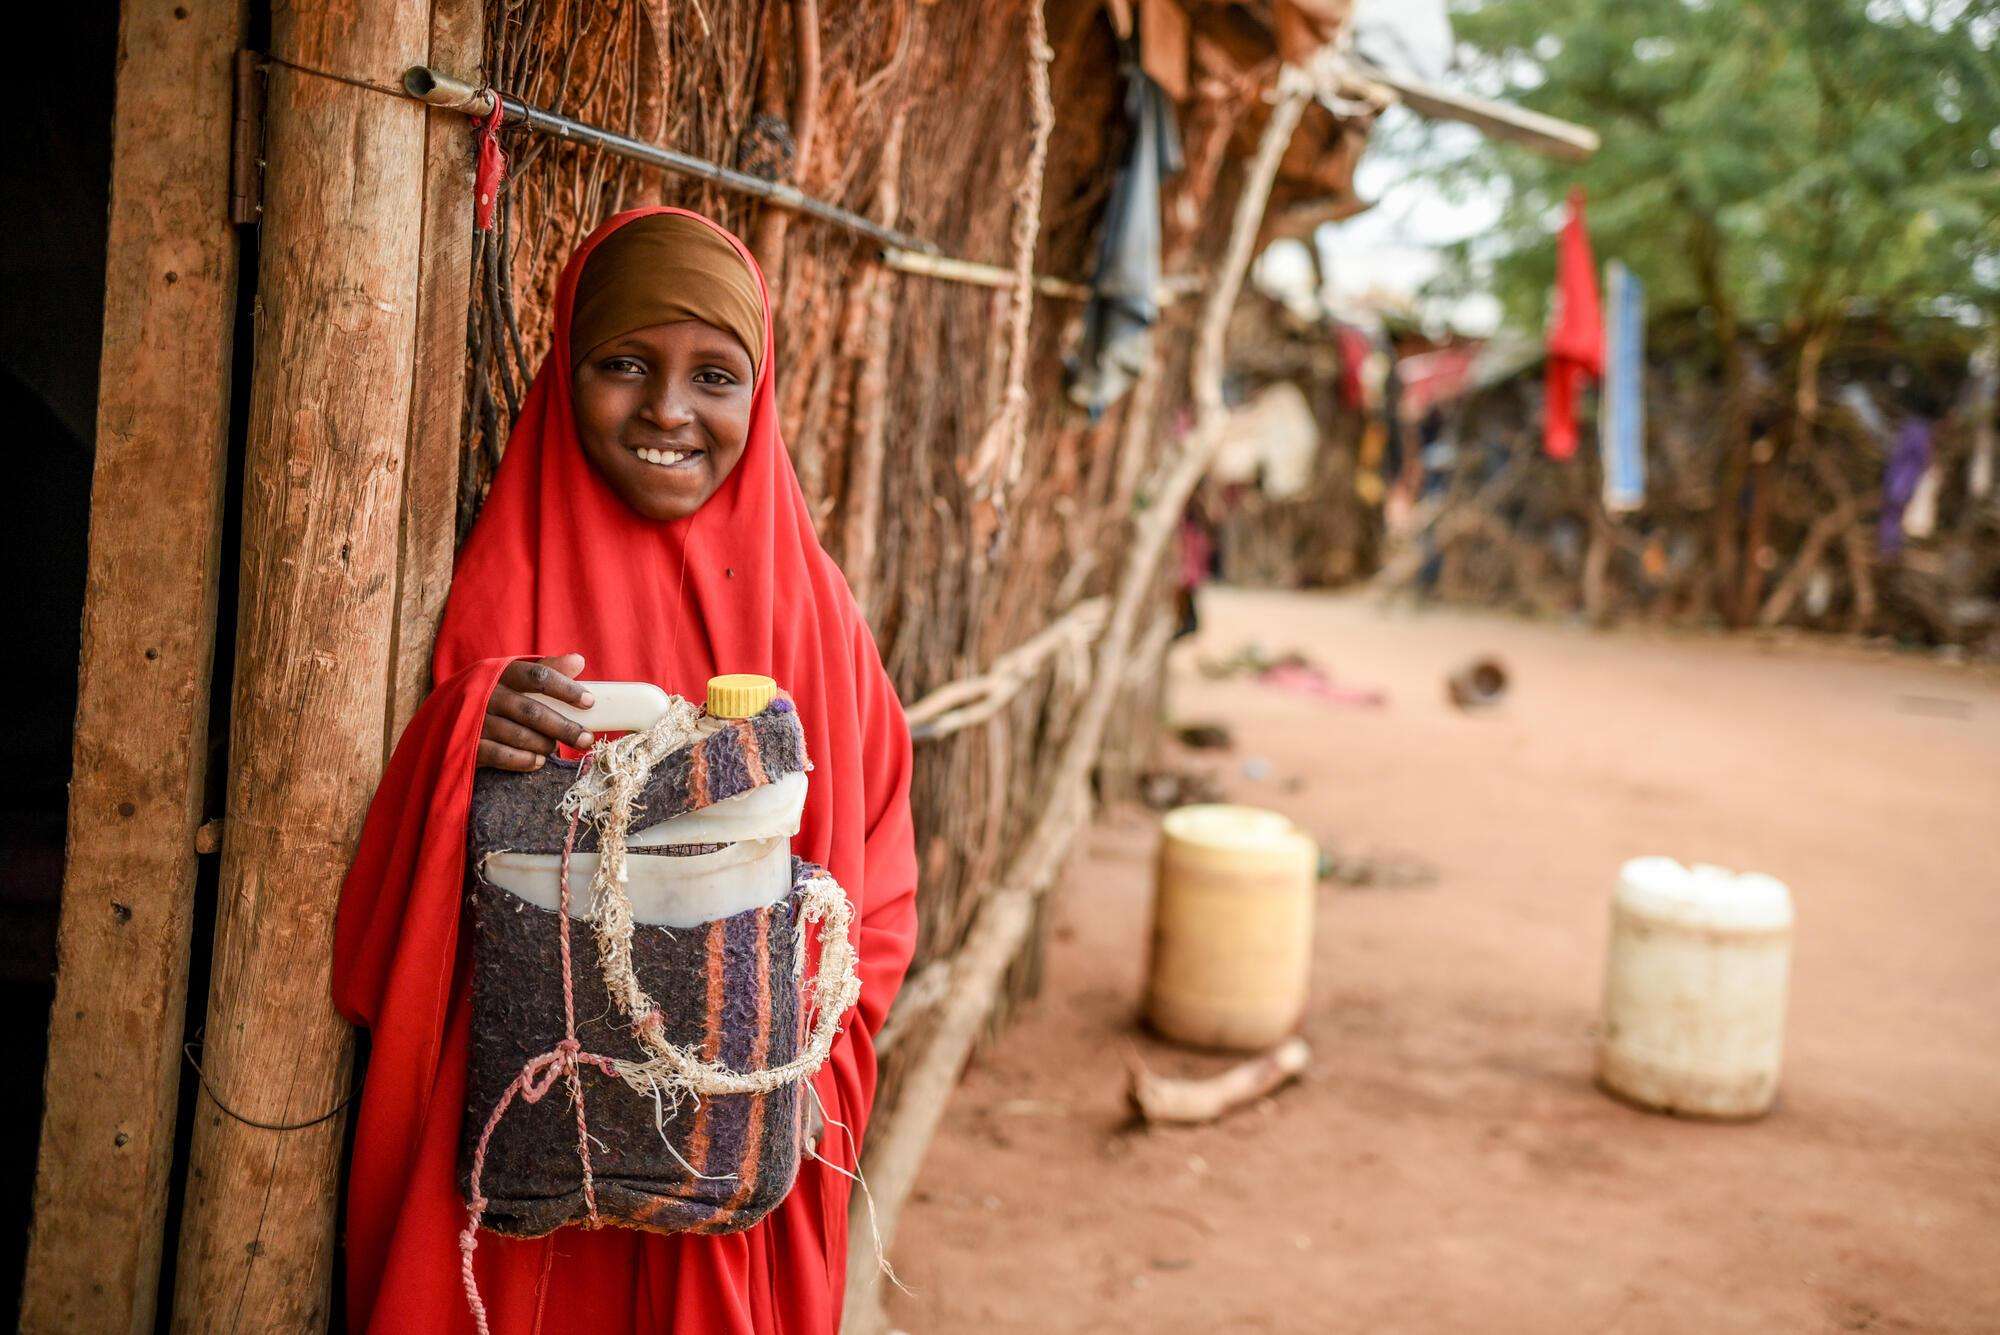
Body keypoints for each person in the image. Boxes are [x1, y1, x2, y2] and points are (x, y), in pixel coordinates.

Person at [331, 208, 919, 1333]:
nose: (667, 409)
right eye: (623, 365)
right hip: (512, 1130)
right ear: (565, 370)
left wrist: (804, 1057)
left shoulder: (818, 622)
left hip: (734, 1145)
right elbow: (365, 932)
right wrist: (461, 740)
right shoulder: (495, 593)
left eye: (714, 375)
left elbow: (878, 871)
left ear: (762, 395)